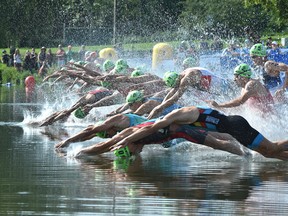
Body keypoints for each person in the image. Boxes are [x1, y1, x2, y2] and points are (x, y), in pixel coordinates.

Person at [110, 106, 288, 161]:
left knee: (271, 149)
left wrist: (125, 139)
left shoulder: (178, 114)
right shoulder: (178, 117)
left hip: (236, 126)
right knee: (268, 153)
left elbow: (150, 128)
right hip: (233, 127)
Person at [74, 116, 249, 158]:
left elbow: (99, 148)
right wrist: (84, 153)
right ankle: (246, 151)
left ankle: (246, 147)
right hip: (175, 131)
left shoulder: (128, 136)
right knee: (216, 141)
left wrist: (77, 154)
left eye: (131, 152)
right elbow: (100, 149)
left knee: (217, 142)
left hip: (179, 128)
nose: (136, 153)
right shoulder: (130, 143)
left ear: (128, 144)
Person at [147, 67, 232, 119]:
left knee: (233, 105)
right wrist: (160, 105)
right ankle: (230, 114)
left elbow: (175, 98)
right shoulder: (180, 76)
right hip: (218, 90)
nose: (176, 87)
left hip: (225, 87)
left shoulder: (187, 78)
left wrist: (159, 108)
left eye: (176, 85)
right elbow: (172, 92)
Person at [206, 64, 274, 113]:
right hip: (263, 119)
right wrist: (220, 110)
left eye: (236, 76)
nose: (234, 79)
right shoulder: (244, 88)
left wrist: (219, 105)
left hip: (270, 119)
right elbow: (241, 108)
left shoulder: (252, 84)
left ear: (243, 77)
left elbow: (240, 102)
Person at [55, 113, 148, 149]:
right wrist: (72, 143)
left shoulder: (118, 120)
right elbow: (89, 136)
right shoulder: (114, 128)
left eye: (107, 135)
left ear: (106, 129)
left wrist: (68, 140)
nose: (110, 137)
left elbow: (90, 130)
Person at [40, 87, 123, 126]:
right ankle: (45, 123)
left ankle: (45, 120)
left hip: (90, 95)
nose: (87, 113)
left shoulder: (105, 89)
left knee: (69, 110)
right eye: (86, 113)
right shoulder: (115, 94)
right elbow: (106, 99)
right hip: (92, 97)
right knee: (68, 112)